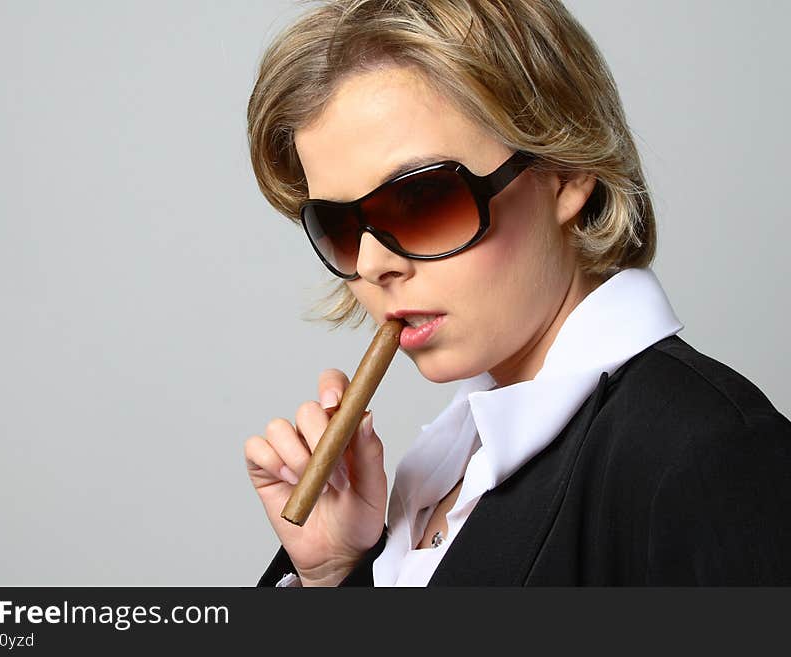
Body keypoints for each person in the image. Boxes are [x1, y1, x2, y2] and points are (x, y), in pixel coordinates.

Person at [242, 0, 791, 586]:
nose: (373, 264)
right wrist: (333, 573)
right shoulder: (450, 461)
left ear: (567, 169)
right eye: (340, 225)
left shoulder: (707, 454)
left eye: (422, 200)